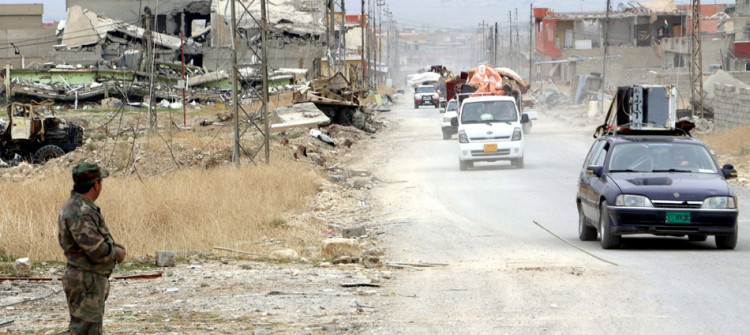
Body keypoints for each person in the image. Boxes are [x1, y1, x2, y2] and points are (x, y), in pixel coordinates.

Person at [58, 163, 125, 335]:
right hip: (86, 281)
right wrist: (117, 252)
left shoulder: (75, 205)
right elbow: (96, 251)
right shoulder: (81, 211)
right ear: (96, 184)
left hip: (86, 279)